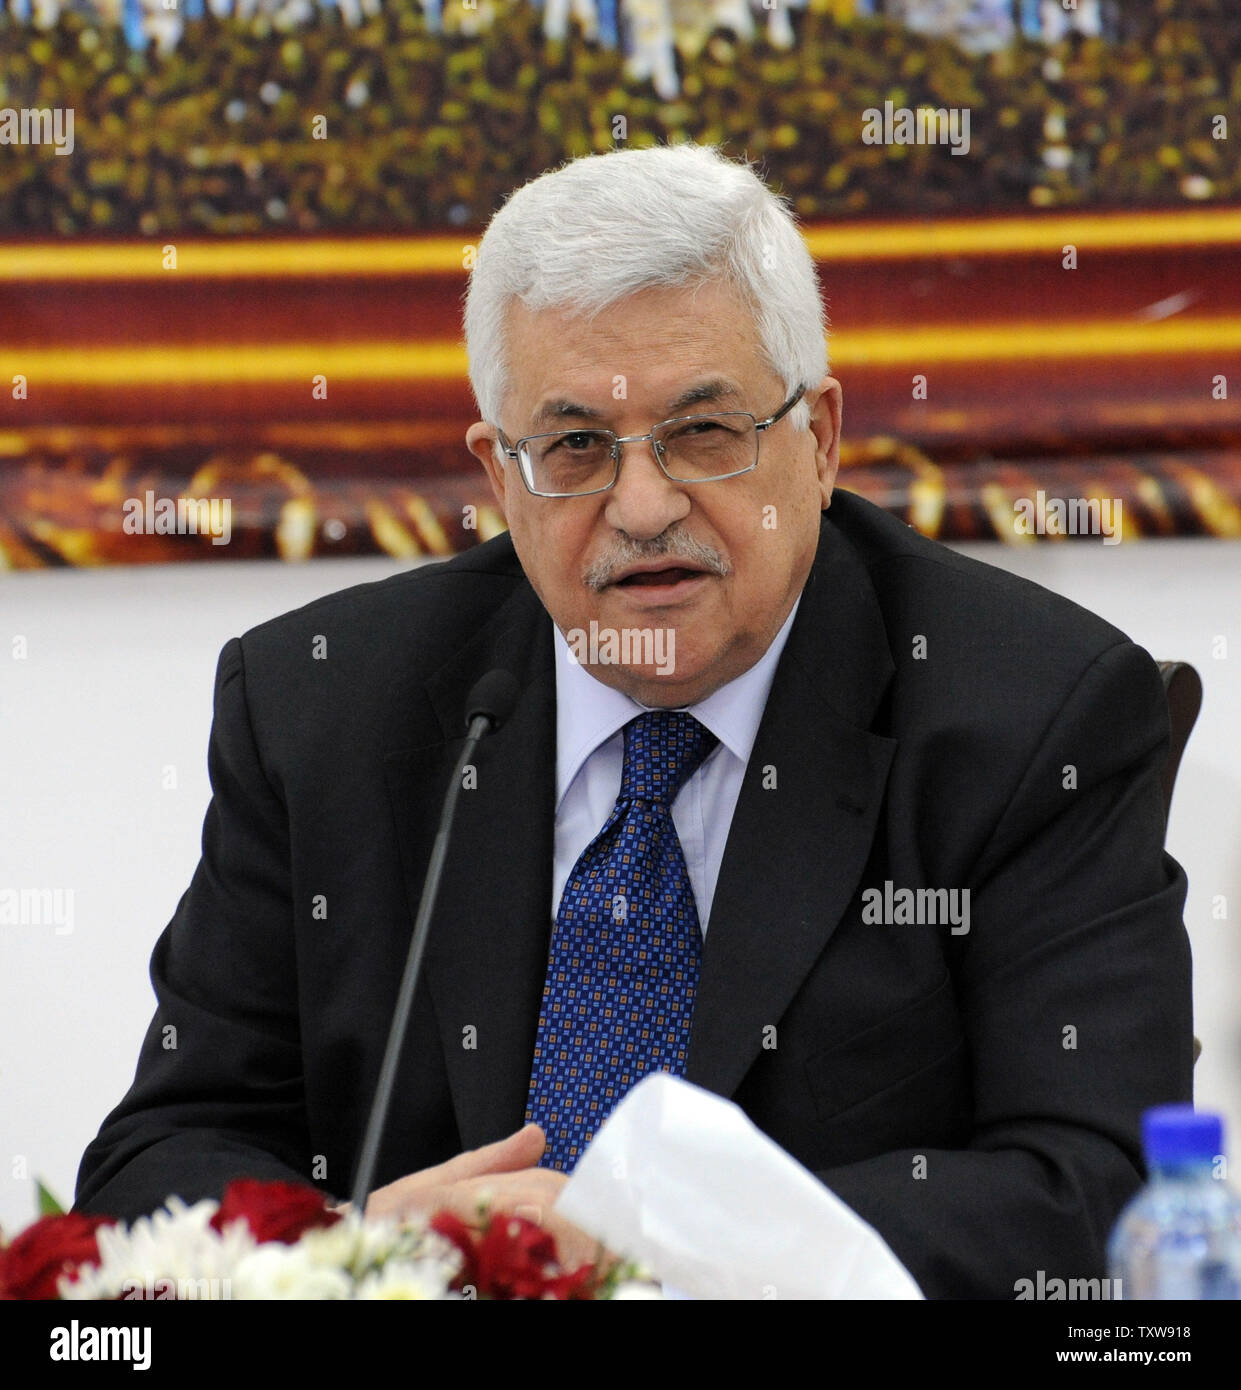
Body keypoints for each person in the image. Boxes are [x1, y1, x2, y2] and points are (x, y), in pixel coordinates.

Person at [75, 142, 1194, 1297]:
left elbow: (1097, 1193)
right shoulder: (319, 709)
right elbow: (153, 1161)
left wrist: (650, 1242)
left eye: (703, 432)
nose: (644, 505)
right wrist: (353, 1242)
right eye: (573, 449)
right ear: (498, 478)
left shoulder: (1031, 716)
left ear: (818, 441)